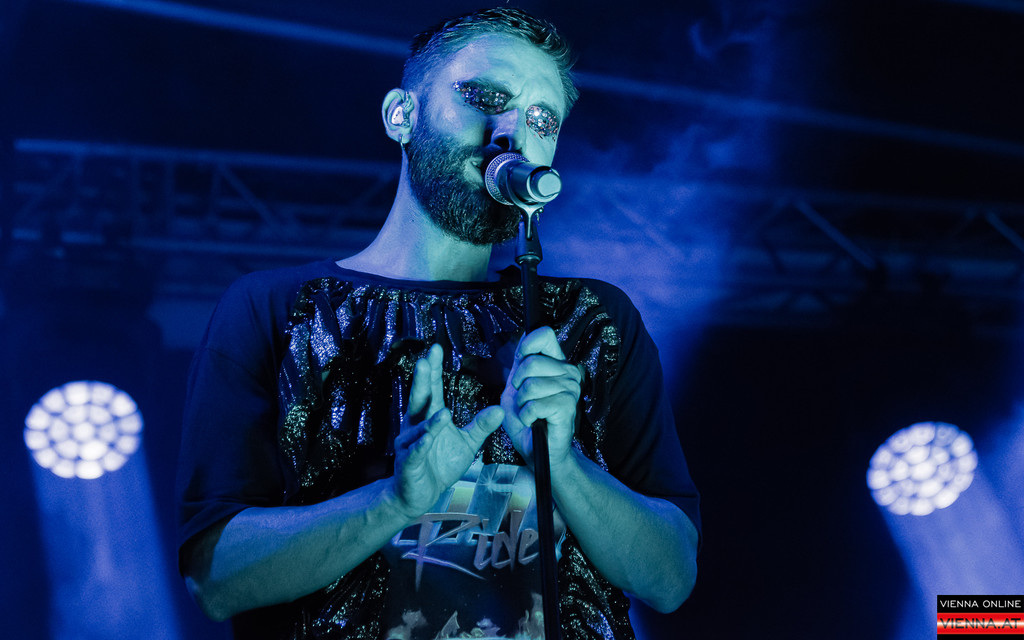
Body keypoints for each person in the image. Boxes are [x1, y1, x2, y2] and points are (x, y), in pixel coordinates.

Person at [177, 8, 700, 640]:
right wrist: (394, 502)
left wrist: (562, 464)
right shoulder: (275, 308)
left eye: (542, 120)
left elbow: (671, 579)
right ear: (401, 114)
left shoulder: (591, 321)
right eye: (485, 98)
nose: (513, 133)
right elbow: (216, 580)